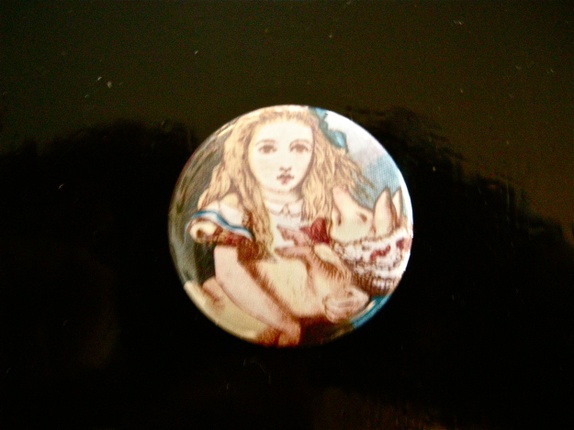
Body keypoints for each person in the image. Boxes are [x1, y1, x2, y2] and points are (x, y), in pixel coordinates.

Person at [186, 106, 408, 345]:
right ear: (243, 153)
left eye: (300, 148)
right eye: (267, 149)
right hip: (257, 317)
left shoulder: (322, 205)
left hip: (327, 331)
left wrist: (360, 298)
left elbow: (355, 261)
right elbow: (229, 274)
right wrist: (285, 323)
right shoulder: (233, 208)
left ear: (316, 154)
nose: (285, 164)